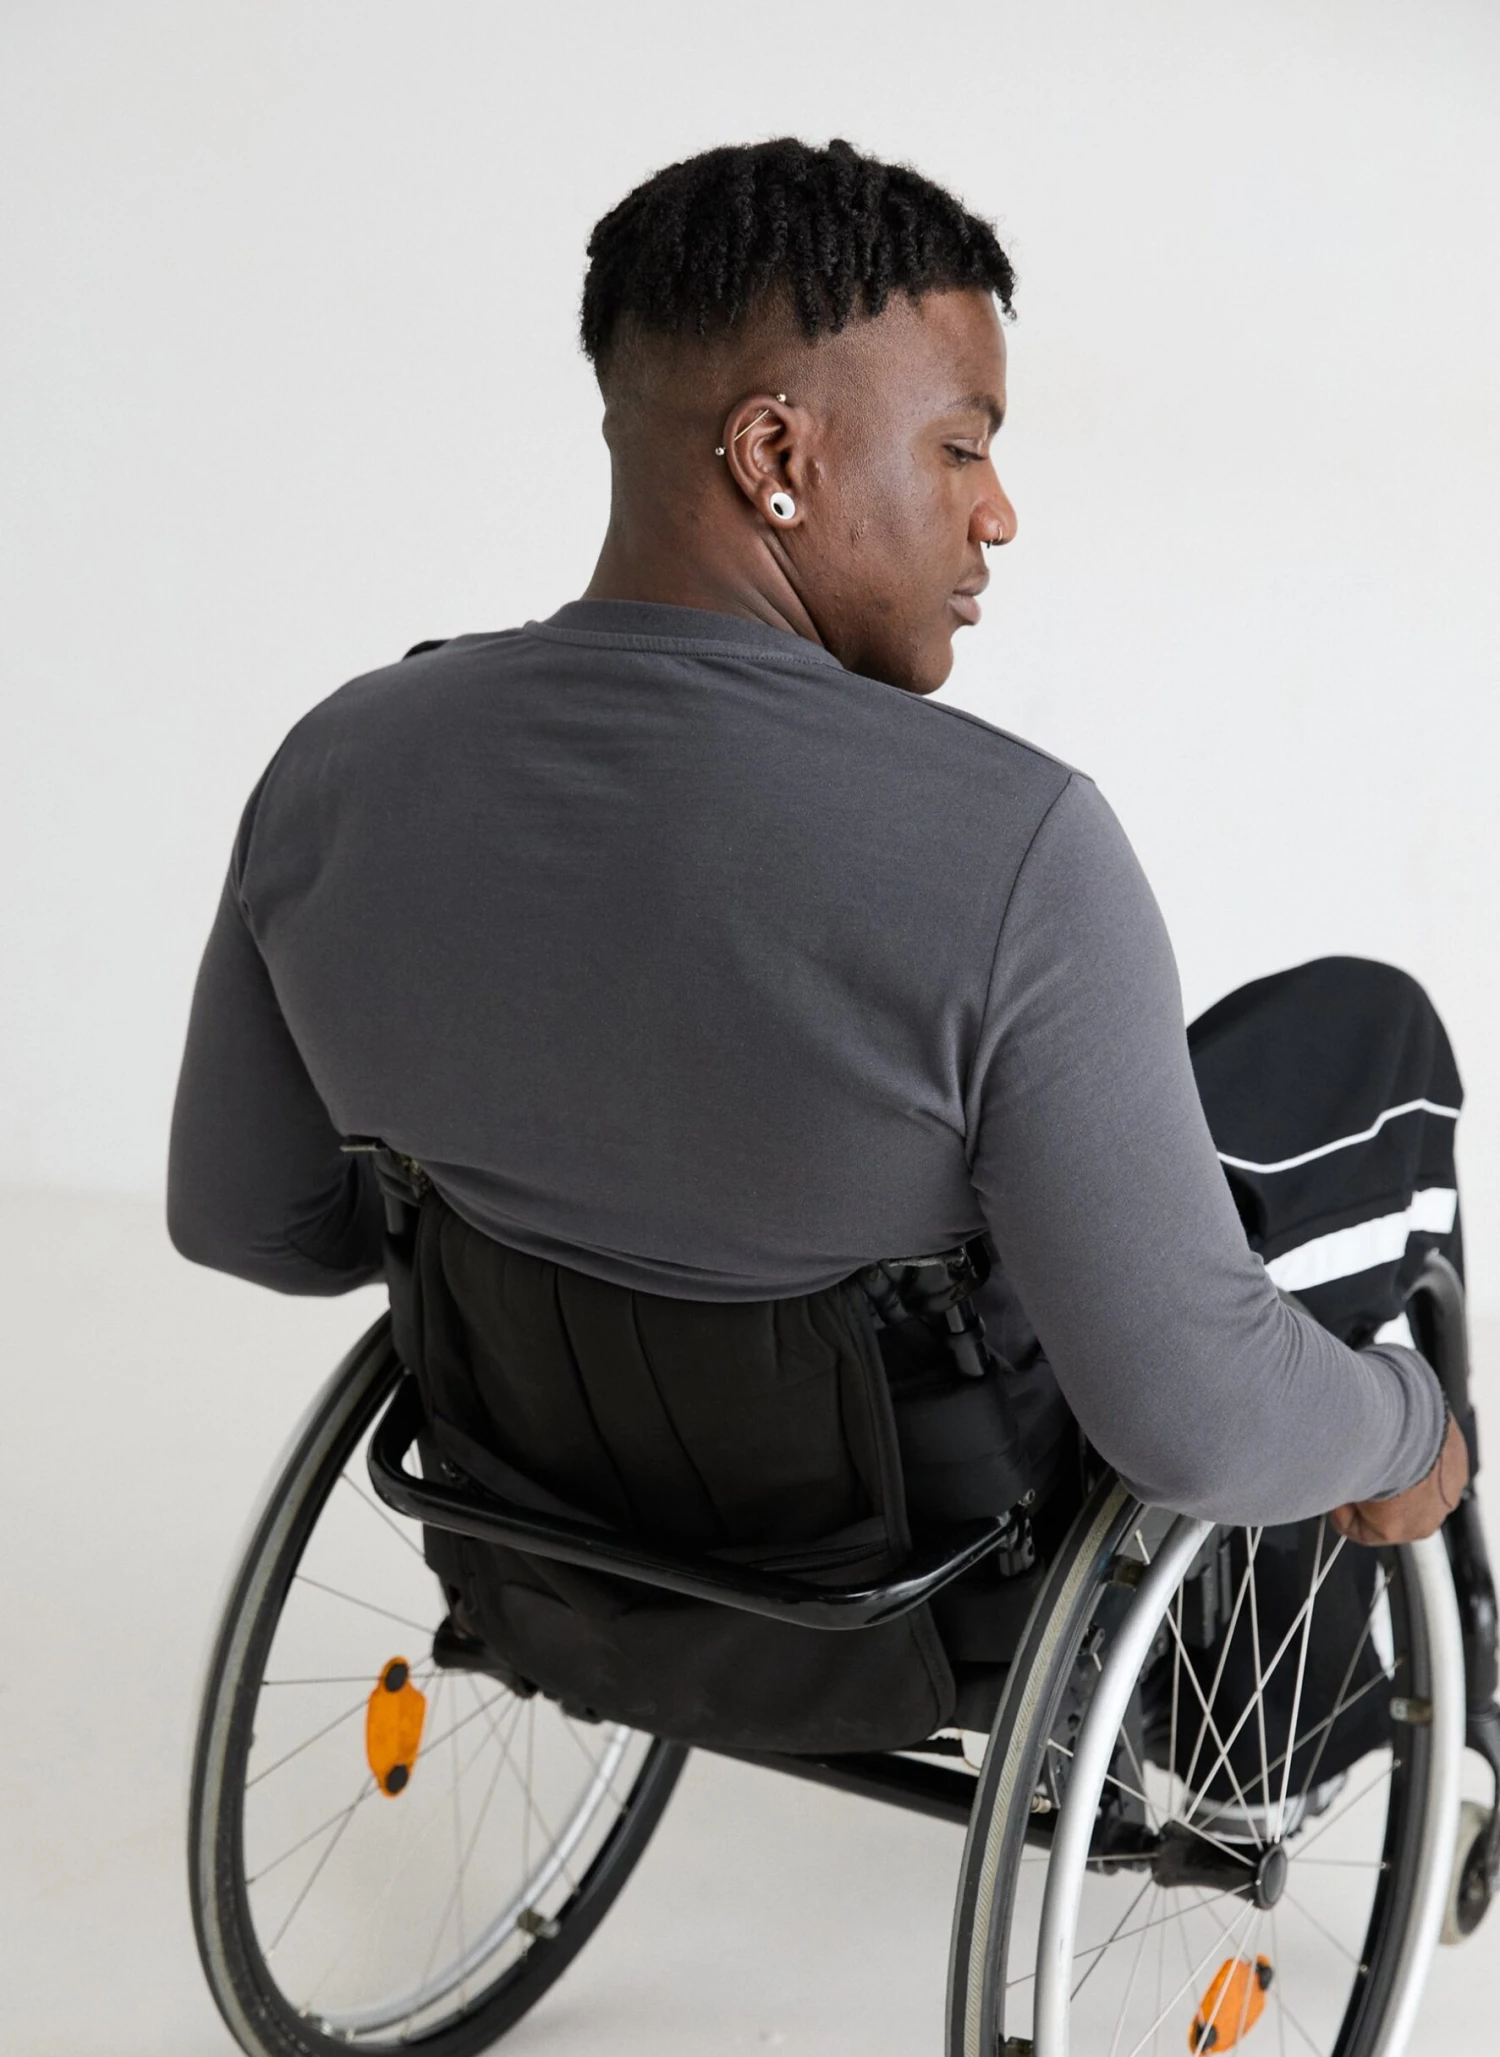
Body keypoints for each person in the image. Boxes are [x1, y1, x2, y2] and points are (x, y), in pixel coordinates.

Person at [168, 135, 1467, 1554]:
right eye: (961, 445)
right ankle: (1445, 1623)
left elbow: (248, 1220)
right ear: (777, 457)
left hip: (553, 1557)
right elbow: (1199, 1423)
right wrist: (1407, 1423)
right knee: (1368, 1040)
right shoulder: (1015, 852)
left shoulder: (337, 769)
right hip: (923, 1578)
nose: (999, 512)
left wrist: (531, 1230)